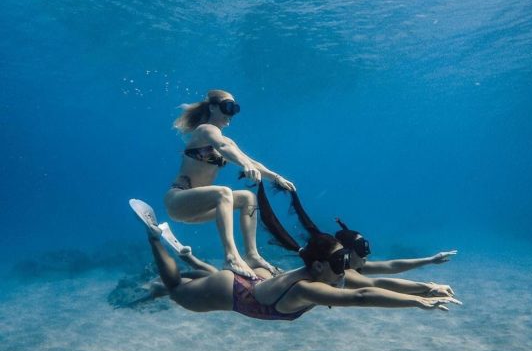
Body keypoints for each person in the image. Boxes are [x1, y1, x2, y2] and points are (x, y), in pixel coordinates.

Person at [129, 199, 461, 320]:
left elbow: (377, 280)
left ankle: (191, 261)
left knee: (196, 281)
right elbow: (361, 297)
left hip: (254, 280)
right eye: (339, 263)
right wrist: (416, 304)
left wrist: (425, 289)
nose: (344, 268)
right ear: (317, 266)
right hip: (236, 291)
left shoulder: (326, 272)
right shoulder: (309, 289)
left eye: (345, 261)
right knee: (175, 289)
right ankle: (153, 236)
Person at [163, 89, 295, 279]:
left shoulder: (226, 140)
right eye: (228, 107)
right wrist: (245, 165)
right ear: (213, 107)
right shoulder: (206, 130)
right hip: (178, 200)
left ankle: (252, 255)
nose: (231, 114)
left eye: (235, 109)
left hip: (198, 210)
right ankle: (231, 256)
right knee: (224, 192)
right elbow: (222, 148)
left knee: (247, 197)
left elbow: (248, 159)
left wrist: (276, 177)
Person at [288, 188, 458, 278]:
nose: (367, 254)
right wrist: (422, 293)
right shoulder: (342, 271)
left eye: (366, 248)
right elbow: (371, 291)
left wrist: (430, 260)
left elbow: (392, 266)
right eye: (362, 250)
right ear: (347, 252)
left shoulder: (351, 265)